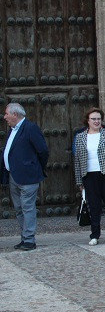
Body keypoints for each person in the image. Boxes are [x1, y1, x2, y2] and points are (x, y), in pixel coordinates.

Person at [73, 108, 105, 245]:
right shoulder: (80, 137)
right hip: (89, 175)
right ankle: (95, 234)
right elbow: (77, 160)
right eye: (93, 119)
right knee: (94, 206)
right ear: (87, 121)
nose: (96, 121)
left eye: (98, 119)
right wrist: (79, 181)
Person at [2, 103, 48, 251]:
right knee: (19, 208)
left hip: (28, 176)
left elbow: (43, 151)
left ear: (15, 114)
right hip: (14, 176)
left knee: (27, 207)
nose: (5, 117)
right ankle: (24, 237)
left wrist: (34, 167)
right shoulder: (12, 130)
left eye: (6, 114)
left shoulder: (30, 128)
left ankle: (29, 239)